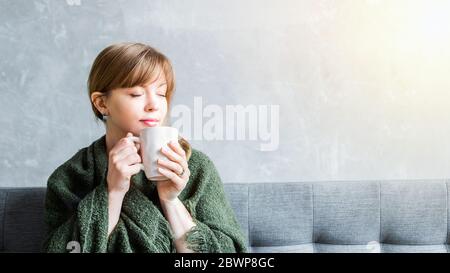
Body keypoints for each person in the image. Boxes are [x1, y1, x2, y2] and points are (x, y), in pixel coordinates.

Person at [43, 42, 247, 253]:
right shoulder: (70, 177)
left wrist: (170, 200)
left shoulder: (195, 167)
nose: (154, 105)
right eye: (136, 94)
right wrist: (112, 192)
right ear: (102, 103)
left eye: (161, 93)